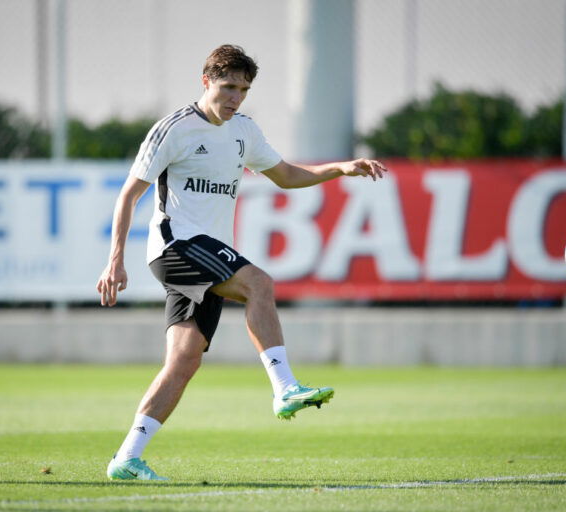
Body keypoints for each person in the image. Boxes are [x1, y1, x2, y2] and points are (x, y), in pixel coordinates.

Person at [96, 44, 387, 481]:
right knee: (259, 284)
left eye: (244, 90)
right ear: (206, 81)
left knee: (184, 361)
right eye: (228, 86)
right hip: (176, 246)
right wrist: (114, 259)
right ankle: (285, 388)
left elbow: (287, 175)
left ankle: (126, 458)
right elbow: (129, 194)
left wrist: (340, 168)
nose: (235, 98)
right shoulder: (174, 129)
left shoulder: (244, 131)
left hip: (205, 252)